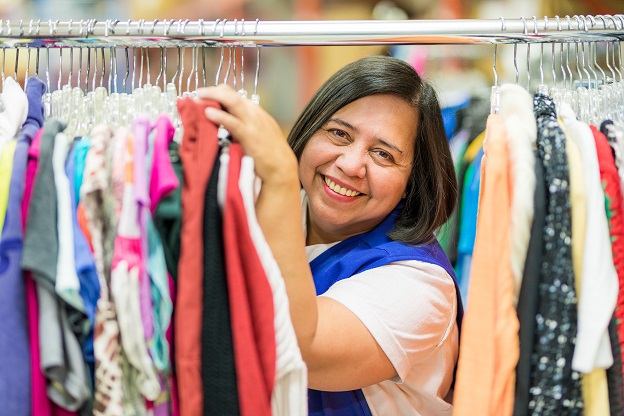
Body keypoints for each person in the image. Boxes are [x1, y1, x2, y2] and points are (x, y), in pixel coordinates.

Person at [199, 55, 462, 416]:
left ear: (412, 181)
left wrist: (279, 173)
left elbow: (302, 348)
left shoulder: (422, 285)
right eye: (339, 133)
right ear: (310, 129)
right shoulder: (248, 202)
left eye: (383, 154)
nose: (351, 165)